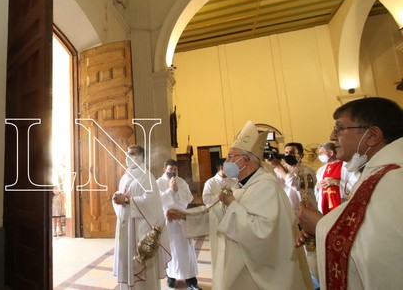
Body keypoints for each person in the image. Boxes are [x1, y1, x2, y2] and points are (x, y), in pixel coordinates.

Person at [167, 121, 313, 290]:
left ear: (245, 160)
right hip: (238, 267)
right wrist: (186, 215)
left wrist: (232, 205)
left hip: (257, 275)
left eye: (231, 156)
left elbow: (263, 232)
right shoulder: (240, 186)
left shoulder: (266, 187)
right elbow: (219, 214)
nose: (226, 161)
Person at [297, 97, 403, 289]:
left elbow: (385, 257)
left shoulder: (394, 178)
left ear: (372, 135)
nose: (332, 135)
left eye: (339, 128)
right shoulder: (375, 172)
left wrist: (321, 226)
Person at [112, 145, 171, 290]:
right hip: (126, 227)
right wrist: (117, 198)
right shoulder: (126, 176)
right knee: (127, 260)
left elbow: (151, 200)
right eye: (127, 153)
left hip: (141, 229)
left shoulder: (146, 176)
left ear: (140, 157)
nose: (127, 157)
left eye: (131, 154)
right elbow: (122, 194)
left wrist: (126, 201)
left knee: (144, 267)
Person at [157, 159, 200, 290]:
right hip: (168, 221)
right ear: (164, 169)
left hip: (181, 219)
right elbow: (157, 202)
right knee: (171, 250)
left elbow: (189, 198)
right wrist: (170, 190)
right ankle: (171, 276)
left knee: (186, 251)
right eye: (170, 169)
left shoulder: (181, 181)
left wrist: (177, 190)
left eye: (175, 169)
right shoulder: (158, 182)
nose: (173, 172)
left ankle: (191, 280)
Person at [266, 142, 317, 213]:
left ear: (301, 155)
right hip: (286, 212)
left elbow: (296, 185)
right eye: (286, 152)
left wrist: (279, 165)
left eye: (292, 152)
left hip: (305, 212)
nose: (288, 155)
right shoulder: (277, 170)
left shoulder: (307, 171)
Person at [201, 158, 229, 274]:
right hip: (217, 217)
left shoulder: (233, 180)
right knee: (218, 245)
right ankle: (219, 272)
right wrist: (218, 196)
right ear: (221, 168)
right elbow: (206, 200)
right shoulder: (211, 182)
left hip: (231, 216)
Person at [314, 142, 358, 214]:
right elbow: (318, 190)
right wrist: (318, 187)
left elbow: (357, 184)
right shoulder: (321, 170)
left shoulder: (348, 166)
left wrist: (337, 182)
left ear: (331, 153)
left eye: (321, 153)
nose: (319, 156)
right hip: (325, 206)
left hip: (343, 206)